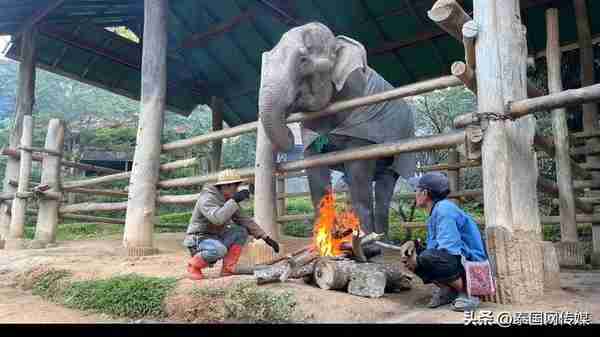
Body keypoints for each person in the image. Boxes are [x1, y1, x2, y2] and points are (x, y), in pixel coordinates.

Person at [403, 172, 488, 312]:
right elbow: (435, 247)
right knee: (413, 255)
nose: (415, 194)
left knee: (426, 257)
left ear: (424, 193)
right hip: (459, 261)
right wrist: (414, 246)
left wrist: (419, 257)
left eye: (416, 190)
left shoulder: (444, 210)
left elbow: (449, 250)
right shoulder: (436, 210)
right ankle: (449, 290)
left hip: (473, 267)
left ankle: (470, 293)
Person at [182, 169, 280, 280]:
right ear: (225, 186)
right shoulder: (207, 198)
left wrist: (265, 237)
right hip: (199, 238)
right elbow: (217, 219)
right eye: (235, 186)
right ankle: (193, 266)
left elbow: (244, 220)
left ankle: (228, 268)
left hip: (216, 237)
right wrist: (234, 200)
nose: (237, 189)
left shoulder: (228, 199)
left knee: (241, 231)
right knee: (219, 250)